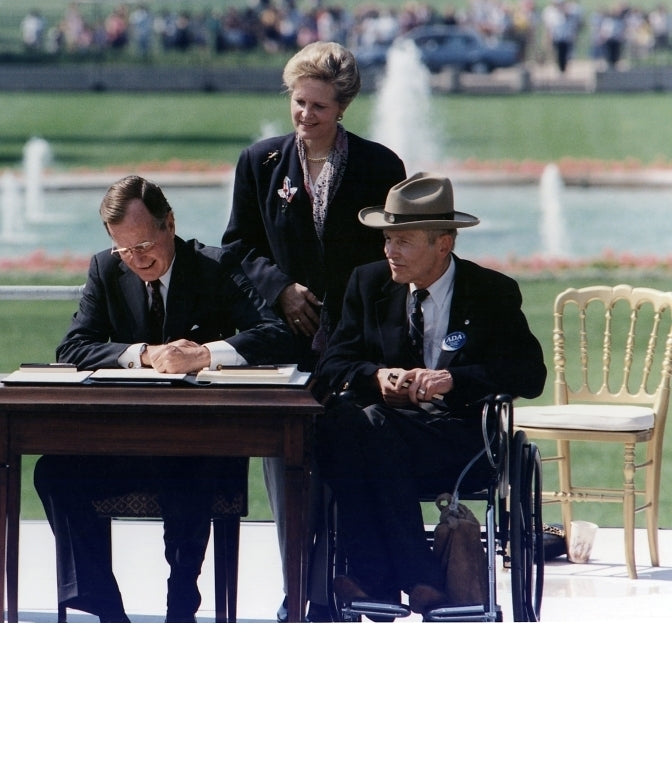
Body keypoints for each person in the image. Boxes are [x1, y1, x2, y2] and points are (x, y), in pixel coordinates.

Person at [34, 175, 293, 622]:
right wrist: (143, 354)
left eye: (145, 244)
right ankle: (104, 608)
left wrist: (206, 354)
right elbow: (73, 347)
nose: (137, 259)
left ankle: (181, 604)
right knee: (53, 471)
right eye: (125, 249)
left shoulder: (216, 266)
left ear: (169, 223)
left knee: (189, 465)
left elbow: (276, 335)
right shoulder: (106, 269)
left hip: (203, 445)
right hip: (128, 443)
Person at [220, 40, 406, 621]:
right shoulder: (260, 162)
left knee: (347, 454)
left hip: (356, 345)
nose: (305, 116)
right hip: (283, 343)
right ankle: (298, 589)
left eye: (318, 107)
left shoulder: (380, 166)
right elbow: (236, 246)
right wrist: (280, 288)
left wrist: (350, 314)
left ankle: (348, 585)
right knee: (286, 463)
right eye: (298, 103)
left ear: (342, 107)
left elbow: (392, 256)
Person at [311, 173, 546, 614]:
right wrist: (377, 376)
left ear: (444, 243)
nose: (389, 251)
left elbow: (530, 375)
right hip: (382, 434)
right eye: (387, 239)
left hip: (459, 436)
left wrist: (454, 380)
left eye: (403, 241)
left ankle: (377, 578)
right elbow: (332, 365)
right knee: (344, 421)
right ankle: (416, 577)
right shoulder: (368, 284)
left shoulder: (491, 293)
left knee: (360, 429)